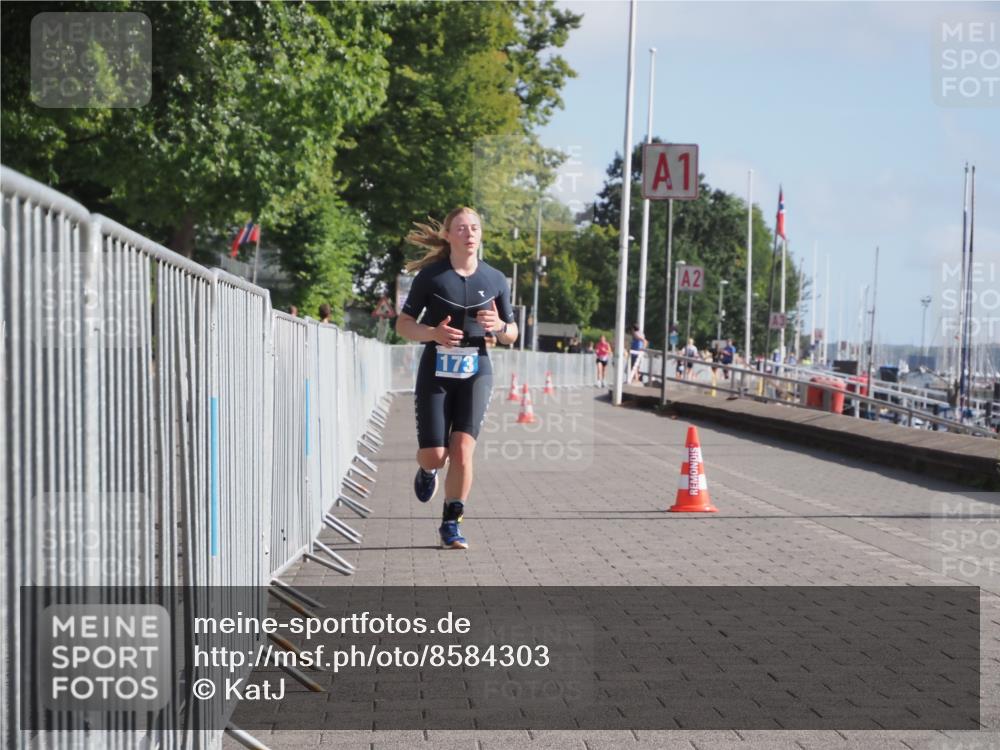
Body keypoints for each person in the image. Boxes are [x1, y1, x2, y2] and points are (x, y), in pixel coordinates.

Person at [395, 207, 518, 550]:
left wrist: (501, 328)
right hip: (436, 370)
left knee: (463, 451)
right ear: (448, 235)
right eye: (461, 228)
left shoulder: (495, 279)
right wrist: (432, 333)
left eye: (475, 227)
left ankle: (451, 522)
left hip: (476, 371)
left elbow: (513, 333)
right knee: (436, 455)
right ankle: (428, 471)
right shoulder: (431, 278)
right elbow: (403, 324)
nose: (469, 233)